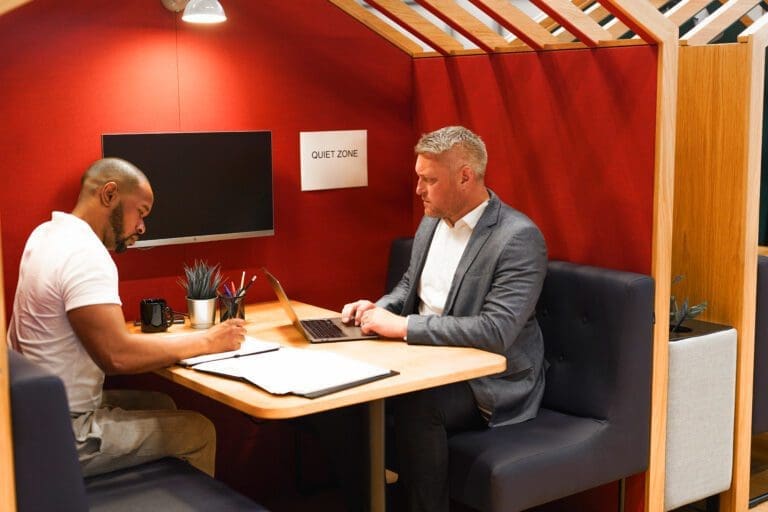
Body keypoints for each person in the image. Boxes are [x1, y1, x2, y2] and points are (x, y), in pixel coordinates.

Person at [342, 126, 548, 512]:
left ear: (465, 177)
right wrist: (377, 309)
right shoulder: (432, 221)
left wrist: (404, 327)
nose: (418, 189)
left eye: (430, 180)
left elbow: (496, 330)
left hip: (490, 381)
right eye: (419, 177)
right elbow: (409, 287)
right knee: (344, 397)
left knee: (419, 404)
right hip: (426, 360)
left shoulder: (518, 237)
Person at [6, 157, 247, 478]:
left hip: (30, 416)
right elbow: (116, 356)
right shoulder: (85, 254)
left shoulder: (46, 234)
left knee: (163, 403)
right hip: (65, 433)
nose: (142, 227)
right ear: (109, 194)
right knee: (199, 431)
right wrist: (208, 341)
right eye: (141, 213)